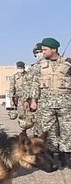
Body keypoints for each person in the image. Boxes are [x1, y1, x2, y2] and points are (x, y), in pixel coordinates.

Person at [28, 37, 71, 168]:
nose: (43, 52)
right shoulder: (40, 65)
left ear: (54, 49)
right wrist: (34, 100)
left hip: (66, 103)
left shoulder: (68, 63)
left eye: (45, 49)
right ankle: (50, 155)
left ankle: (66, 156)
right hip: (46, 104)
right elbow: (35, 84)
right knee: (48, 130)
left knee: (67, 129)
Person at [7, 61, 34, 131]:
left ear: (24, 67)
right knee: (22, 115)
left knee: (30, 115)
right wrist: (11, 99)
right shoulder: (14, 77)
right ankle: (23, 130)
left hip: (29, 99)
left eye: (21, 68)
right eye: (19, 68)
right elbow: (11, 89)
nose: (20, 69)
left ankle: (32, 130)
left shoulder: (29, 75)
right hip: (20, 99)